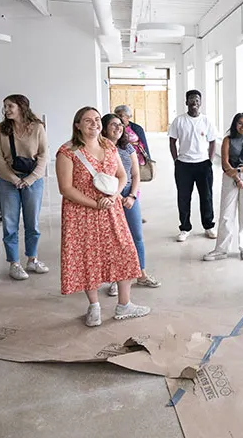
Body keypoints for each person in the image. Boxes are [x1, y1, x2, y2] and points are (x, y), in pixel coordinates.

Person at [56, 107, 150, 327]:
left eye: (97, 120)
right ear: (77, 124)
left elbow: (122, 175)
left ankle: (124, 304)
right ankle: (94, 306)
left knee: (125, 250)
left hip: (111, 209)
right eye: (88, 121)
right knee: (88, 257)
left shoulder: (108, 146)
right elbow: (66, 188)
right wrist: (95, 203)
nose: (94, 124)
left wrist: (114, 195)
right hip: (81, 212)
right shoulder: (67, 152)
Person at [100, 114, 161, 296]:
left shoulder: (127, 148)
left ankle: (141, 274)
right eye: (113, 125)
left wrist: (132, 196)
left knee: (136, 237)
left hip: (128, 195)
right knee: (113, 239)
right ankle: (115, 279)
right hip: (110, 198)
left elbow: (135, 174)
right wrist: (114, 197)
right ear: (104, 128)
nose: (118, 128)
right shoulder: (100, 149)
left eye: (120, 125)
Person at [0, 94, 50, 280]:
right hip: (9, 181)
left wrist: (31, 179)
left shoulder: (37, 127)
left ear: (22, 107)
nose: (7, 110)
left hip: (33, 180)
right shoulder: (1, 129)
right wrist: (13, 179)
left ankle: (32, 260)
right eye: (5, 106)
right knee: (10, 223)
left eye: (11, 106)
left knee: (32, 222)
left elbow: (43, 155)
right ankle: (14, 263)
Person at [203, 113, 243, 261]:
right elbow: (225, 163)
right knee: (226, 214)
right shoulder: (228, 140)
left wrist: (240, 171)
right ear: (235, 125)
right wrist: (235, 177)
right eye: (240, 123)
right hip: (230, 176)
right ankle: (221, 249)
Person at [169, 90, 218, 242]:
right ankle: (184, 228)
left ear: (200, 102)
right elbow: (172, 141)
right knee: (183, 197)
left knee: (207, 196)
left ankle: (208, 226)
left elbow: (212, 141)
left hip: (203, 165)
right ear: (186, 102)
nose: (194, 102)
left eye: (197, 99)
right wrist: (176, 160)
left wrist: (210, 160)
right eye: (191, 99)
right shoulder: (179, 120)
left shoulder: (206, 120)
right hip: (183, 165)